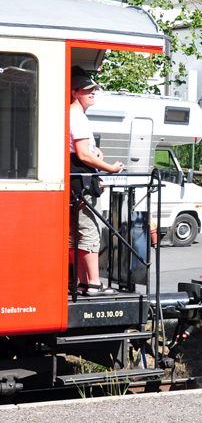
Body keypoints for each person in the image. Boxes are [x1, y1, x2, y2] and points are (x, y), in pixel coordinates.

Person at [70, 72, 123, 295]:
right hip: (81, 181)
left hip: (76, 180)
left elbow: (81, 151)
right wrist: (110, 168)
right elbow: (82, 155)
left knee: (75, 233)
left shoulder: (70, 115)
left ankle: (81, 281)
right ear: (74, 92)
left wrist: (95, 152)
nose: (93, 93)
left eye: (93, 89)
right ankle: (93, 283)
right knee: (89, 230)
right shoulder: (78, 117)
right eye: (87, 89)